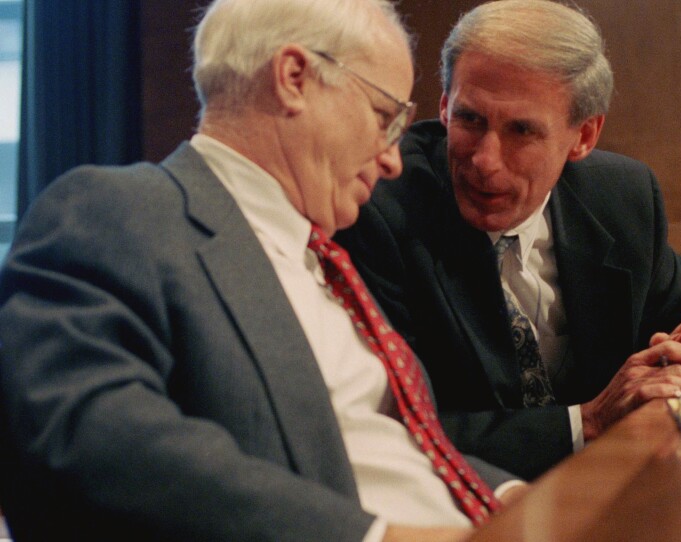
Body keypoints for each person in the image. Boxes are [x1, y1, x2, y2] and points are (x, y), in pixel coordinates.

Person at [0, 1, 522, 540]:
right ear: (295, 78)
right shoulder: (119, 211)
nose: (392, 159)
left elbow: (388, 443)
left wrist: (513, 498)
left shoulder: (327, 259)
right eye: (385, 116)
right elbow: (81, 442)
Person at [335, 0, 681, 481]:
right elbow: (390, 429)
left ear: (584, 135)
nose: (484, 160)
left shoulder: (623, 198)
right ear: (443, 106)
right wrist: (589, 422)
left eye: (521, 130)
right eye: (470, 119)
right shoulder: (379, 207)